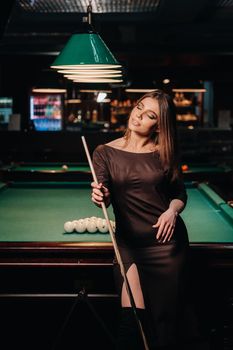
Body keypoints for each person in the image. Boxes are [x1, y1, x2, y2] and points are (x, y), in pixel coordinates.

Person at [91, 90, 200, 350]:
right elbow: (104, 197)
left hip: (167, 246)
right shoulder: (104, 152)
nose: (138, 115)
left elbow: (179, 194)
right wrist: (100, 195)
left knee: (166, 325)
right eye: (139, 107)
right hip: (128, 245)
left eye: (149, 114)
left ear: (159, 125)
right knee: (132, 323)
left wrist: (172, 211)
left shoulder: (164, 152)